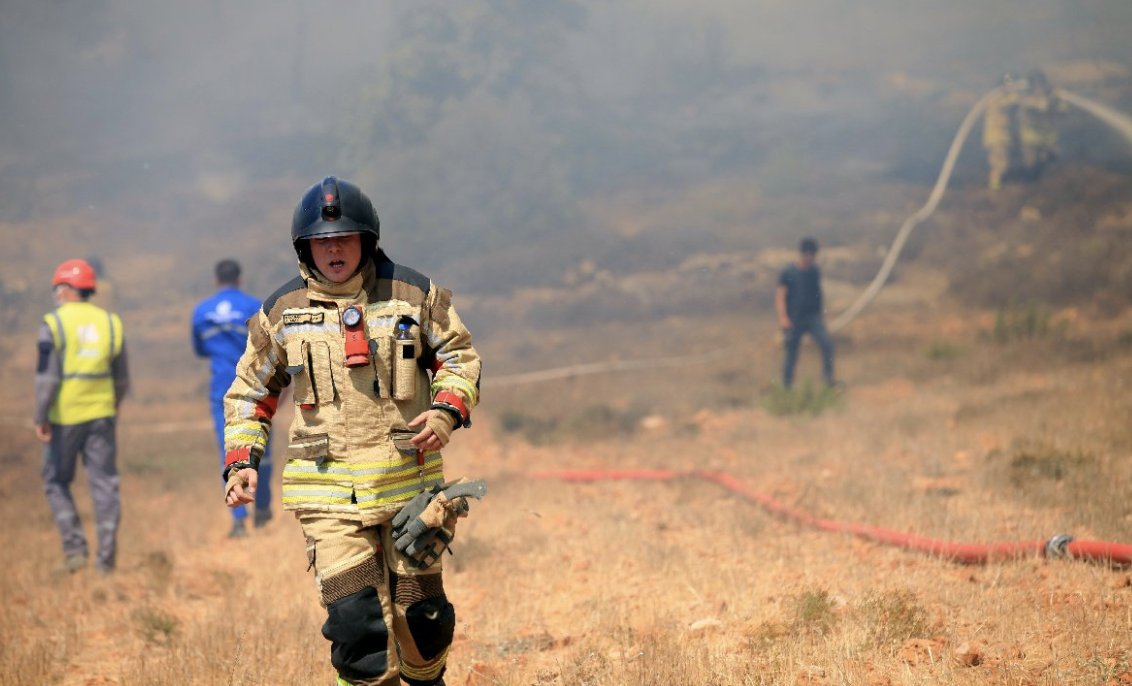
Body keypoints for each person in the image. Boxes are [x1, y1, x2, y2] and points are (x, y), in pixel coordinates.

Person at [223, 176, 482, 686]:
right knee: (356, 627)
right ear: (305, 248)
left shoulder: (413, 294)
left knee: (422, 625)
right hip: (329, 500)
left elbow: (460, 357)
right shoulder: (280, 312)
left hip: (412, 492)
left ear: (368, 239)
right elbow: (249, 393)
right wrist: (241, 464)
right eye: (322, 241)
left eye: (344, 237)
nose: (334, 248)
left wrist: (445, 412)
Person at [34, 259, 129, 576]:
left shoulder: (53, 323)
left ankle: (75, 551)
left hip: (65, 417)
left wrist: (40, 416)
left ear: (63, 289)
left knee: (55, 481)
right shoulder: (111, 322)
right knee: (104, 486)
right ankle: (105, 562)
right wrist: (110, 405)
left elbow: (47, 380)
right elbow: (121, 379)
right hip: (102, 415)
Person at [191, 259, 273, 538]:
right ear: (240, 278)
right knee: (261, 450)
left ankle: (238, 520)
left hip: (221, 392)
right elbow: (268, 350)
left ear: (216, 279)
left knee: (230, 453)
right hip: (254, 388)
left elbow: (200, 349)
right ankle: (261, 508)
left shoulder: (201, 311)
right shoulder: (254, 307)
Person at [776, 237, 835, 389]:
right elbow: (781, 295)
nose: (810, 258)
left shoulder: (814, 271)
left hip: (813, 318)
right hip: (794, 319)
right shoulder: (788, 272)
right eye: (808, 255)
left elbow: (818, 294)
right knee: (791, 354)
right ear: (802, 254)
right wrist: (783, 317)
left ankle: (828, 383)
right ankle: (786, 388)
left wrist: (822, 316)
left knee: (827, 346)